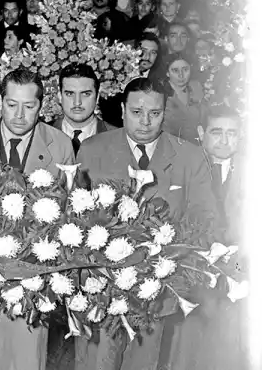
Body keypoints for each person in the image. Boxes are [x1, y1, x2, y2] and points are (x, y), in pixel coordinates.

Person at [74, 77, 216, 370]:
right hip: (101, 289)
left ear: (166, 112)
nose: (146, 122)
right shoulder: (91, 150)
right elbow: (74, 218)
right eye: (137, 112)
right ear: (123, 109)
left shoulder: (190, 156)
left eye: (155, 113)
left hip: (158, 291)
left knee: (145, 364)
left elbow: (206, 218)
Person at [0, 67, 75, 370]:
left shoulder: (60, 144)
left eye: (29, 105)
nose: (19, 114)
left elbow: (69, 216)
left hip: (31, 279)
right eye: (12, 104)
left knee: (25, 358)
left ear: (42, 105)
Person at [165, 104, 248, 370]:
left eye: (232, 133)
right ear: (201, 133)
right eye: (217, 132)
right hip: (194, 264)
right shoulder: (183, 167)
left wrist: (237, 267)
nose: (225, 140)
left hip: (241, 266)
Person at [54, 63, 116, 155]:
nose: (77, 102)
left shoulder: (117, 138)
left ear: (97, 97)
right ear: (59, 97)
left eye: (85, 94)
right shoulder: (40, 136)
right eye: (70, 94)